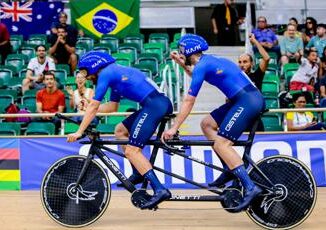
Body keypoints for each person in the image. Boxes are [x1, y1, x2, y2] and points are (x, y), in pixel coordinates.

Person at [162, 34, 265, 212]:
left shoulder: (203, 65)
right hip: (244, 99)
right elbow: (195, 74)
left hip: (247, 100)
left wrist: (174, 127)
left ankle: (250, 187)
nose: (180, 53)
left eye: (182, 51)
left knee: (222, 143)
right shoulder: (206, 62)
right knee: (207, 124)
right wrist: (181, 63)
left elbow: (188, 101)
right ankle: (229, 168)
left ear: (189, 51)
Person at [67, 51, 173, 210]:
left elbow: (95, 107)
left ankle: (160, 189)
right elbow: (111, 107)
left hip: (154, 105)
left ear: (94, 67)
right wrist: (88, 103)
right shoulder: (115, 74)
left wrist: (79, 131)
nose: (87, 77)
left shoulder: (107, 73)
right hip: (155, 104)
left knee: (132, 151)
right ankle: (138, 172)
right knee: (120, 130)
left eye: (86, 73)